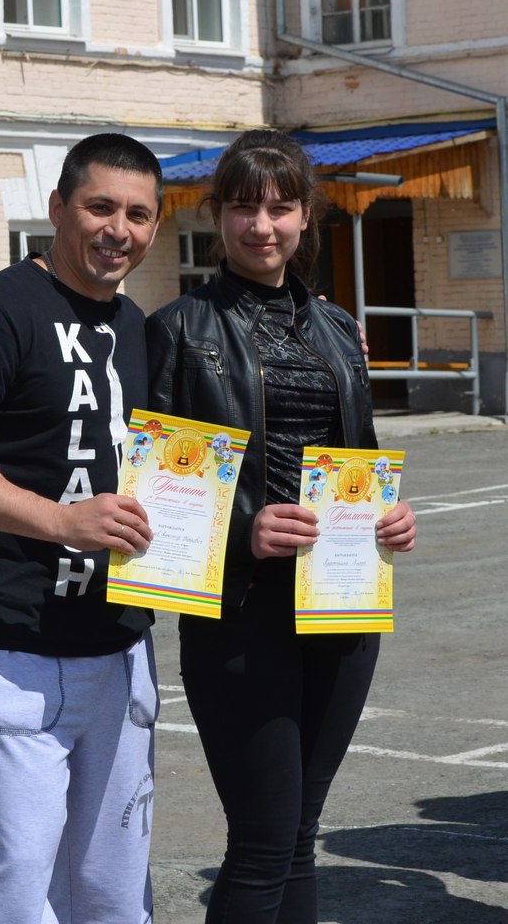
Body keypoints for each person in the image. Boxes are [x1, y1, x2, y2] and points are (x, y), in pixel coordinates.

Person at [145, 129, 417, 924]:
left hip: (340, 605)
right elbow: (156, 489)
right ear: (216, 216)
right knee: (263, 841)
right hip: (243, 613)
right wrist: (244, 532)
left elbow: (358, 457)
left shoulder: (336, 329)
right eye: (243, 208)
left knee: (299, 837)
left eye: (279, 208)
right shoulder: (178, 329)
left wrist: (391, 517)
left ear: (305, 216)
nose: (261, 226)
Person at [0, 133, 163, 924]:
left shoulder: (135, 325)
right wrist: (59, 520)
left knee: (114, 887)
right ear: (57, 208)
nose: (119, 229)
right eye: (100, 207)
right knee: (17, 888)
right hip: (16, 639)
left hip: (120, 641)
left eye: (139, 214)